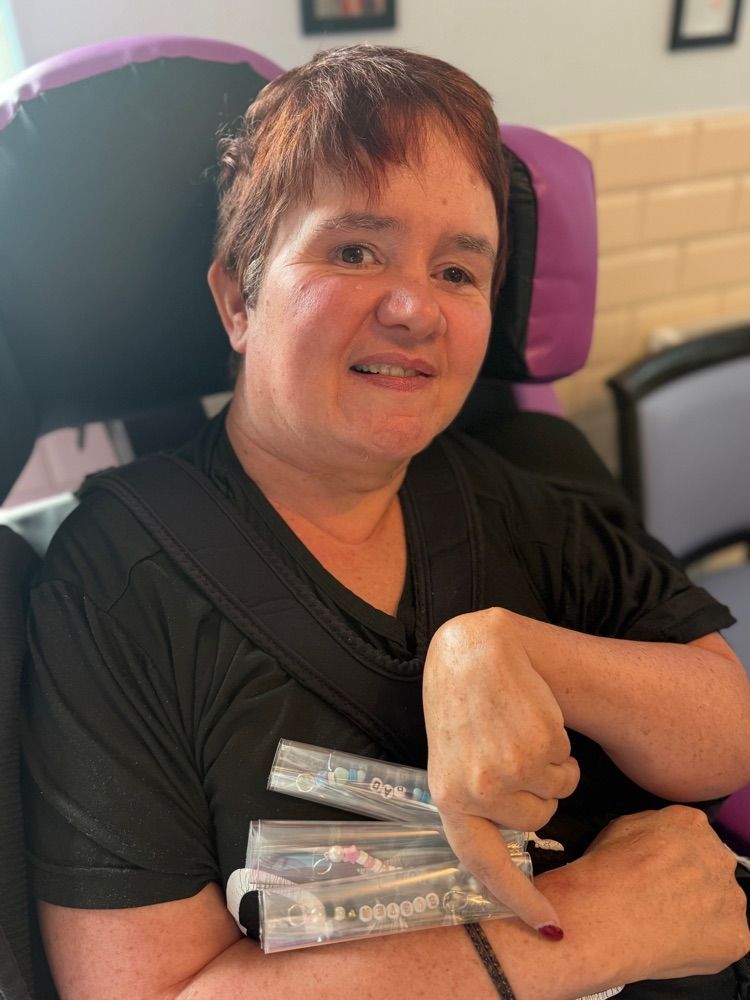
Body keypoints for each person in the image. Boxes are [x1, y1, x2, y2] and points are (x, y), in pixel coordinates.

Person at [22, 44, 750, 999]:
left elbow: (725, 733)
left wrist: (512, 651)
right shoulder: (112, 589)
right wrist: (589, 933)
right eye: (355, 250)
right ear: (239, 297)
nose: (416, 309)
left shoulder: (521, 487)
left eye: (458, 270)